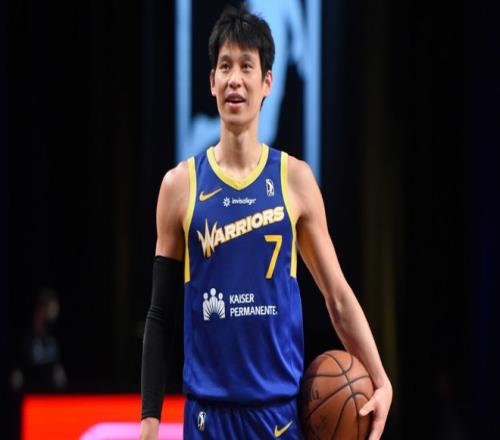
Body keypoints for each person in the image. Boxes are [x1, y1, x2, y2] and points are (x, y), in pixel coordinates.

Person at [140, 5, 392, 440]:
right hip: (208, 420)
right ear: (212, 82)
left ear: (267, 82)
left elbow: (337, 296)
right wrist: (150, 421)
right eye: (225, 66)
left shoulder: (295, 180)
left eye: (247, 66)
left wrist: (381, 378)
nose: (235, 79)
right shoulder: (180, 186)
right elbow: (160, 315)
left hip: (278, 419)